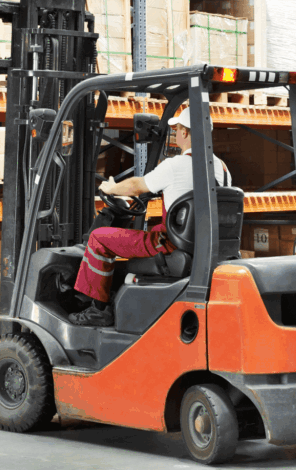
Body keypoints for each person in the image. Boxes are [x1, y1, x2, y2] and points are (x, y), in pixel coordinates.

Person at [69, 107, 233, 327]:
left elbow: (137, 185)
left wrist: (111, 188)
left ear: (185, 133)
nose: (175, 134)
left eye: (177, 130)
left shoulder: (175, 166)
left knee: (98, 238)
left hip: (169, 245)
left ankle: (98, 310)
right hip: (206, 248)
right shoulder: (223, 169)